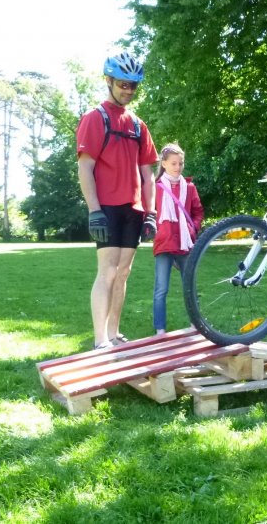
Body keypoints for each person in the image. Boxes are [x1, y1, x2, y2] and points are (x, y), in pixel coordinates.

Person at [76, 52, 158, 350]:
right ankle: (100, 340)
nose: (129, 90)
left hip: (133, 209)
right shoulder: (94, 118)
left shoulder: (138, 125)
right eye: (124, 84)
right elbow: (85, 167)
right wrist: (94, 211)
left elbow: (148, 174)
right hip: (107, 207)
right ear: (109, 81)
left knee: (124, 272)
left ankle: (113, 332)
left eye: (134, 85)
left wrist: (151, 213)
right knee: (107, 271)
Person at [152, 143, 204, 335]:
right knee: (161, 289)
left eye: (180, 163)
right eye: (173, 163)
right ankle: (160, 329)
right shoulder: (156, 188)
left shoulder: (189, 187)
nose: (178, 167)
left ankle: (196, 324)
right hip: (164, 243)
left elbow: (198, 211)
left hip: (184, 244)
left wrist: (192, 227)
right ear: (164, 164)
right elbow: (150, 212)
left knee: (190, 285)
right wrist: (155, 230)